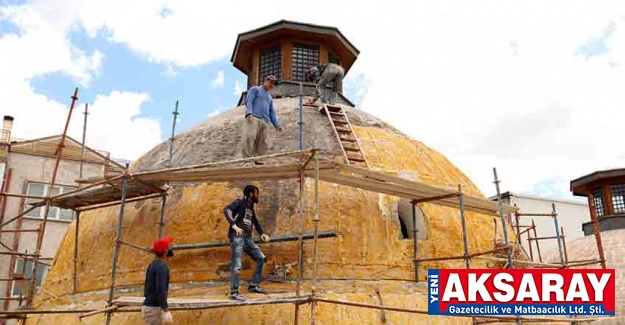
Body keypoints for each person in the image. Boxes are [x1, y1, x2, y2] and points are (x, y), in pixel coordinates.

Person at [223, 185, 271, 300]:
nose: (258, 196)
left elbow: (254, 221)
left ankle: (254, 285)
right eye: (257, 193)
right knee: (237, 265)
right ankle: (234, 292)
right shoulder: (240, 201)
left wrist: (262, 233)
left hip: (247, 238)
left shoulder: (250, 207)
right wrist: (234, 225)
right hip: (237, 237)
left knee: (261, 259)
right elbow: (227, 209)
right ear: (251, 194)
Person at [243, 75, 284, 166]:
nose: (271, 85)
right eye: (270, 82)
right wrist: (249, 113)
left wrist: (277, 125)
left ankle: (258, 158)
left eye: (273, 84)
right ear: (265, 81)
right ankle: (247, 160)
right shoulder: (255, 89)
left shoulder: (269, 98)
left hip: (265, 121)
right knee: (250, 137)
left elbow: (272, 112)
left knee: (264, 141)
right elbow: (249, 101)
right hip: (254, 117)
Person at [142, 237, 174, 325]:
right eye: (168, 247)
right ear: (166, 251)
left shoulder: (152, 265)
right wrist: (166, 309)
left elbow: (146, 291)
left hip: (150, 307)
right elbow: (160, 289)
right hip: (154, 309)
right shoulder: (162, 266)